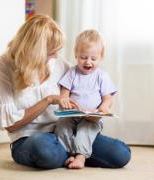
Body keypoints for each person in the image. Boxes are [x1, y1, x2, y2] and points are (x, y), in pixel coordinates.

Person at [0, 14, 131, 170]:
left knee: (120, 153)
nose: (56, 56)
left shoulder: (59, 64)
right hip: (28, 138)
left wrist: (93, 113)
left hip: (66, 131)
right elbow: (10, 126)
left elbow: (82, 93)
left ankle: (75, 154)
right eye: (52, 52)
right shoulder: (2, 66)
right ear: (36, 51)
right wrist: (48, 100)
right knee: (45, 150)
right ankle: (77, 153)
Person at [55, 29, 130, 169]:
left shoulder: (102, 76)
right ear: (76, 55)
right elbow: (64, 93)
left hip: (91, 118)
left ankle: (81, 156)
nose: (88, 62)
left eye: (93, 59)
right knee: (61, 127)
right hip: (72, 115)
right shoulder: (72, 73)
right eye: (83, 57)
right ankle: (68, 153)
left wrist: (104, 108)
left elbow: (108, 98)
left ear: (100, 57)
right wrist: (65, 101)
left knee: (85, 130)